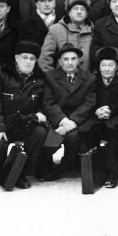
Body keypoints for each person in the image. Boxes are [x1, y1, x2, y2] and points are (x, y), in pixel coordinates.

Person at [0, 40, 48, 190]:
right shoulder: (1, 73)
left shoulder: (41, 78)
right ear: (16, 57)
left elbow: (45, 102)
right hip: (4, 123)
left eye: (32, 58)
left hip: (27, 124)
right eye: (24, 57)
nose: (28, 61)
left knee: (40, 132)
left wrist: (40, 112)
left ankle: (20, 172)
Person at [40, 43, 97, 181]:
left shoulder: (90, 78)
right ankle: (44, 165)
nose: (70, 62)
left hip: (79, 120)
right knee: (46, 138)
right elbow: (48, 102)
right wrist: (63, 121)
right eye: (66, 59)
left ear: (78, 60)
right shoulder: (50, 76)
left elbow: (89, 103)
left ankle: (65, 166)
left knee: (74, 137)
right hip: (57, 119)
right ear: (60, 61)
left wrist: (73, 121)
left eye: (73, 58)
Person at [79, 46, 118, 189]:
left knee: (113, 131)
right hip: (96, 115)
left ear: (116, 66)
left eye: (110, 65)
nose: (107, 69)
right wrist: (96, 110)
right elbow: (87, 100)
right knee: (86, 129)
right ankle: (94, 168)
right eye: (103, 65)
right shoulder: (92, 81)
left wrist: (111, 109)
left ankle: (112, 171)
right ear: (98, 67)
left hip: (116, 115)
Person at [39, 0, 93, 73]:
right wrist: (52, 77)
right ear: (69, 12)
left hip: (88, 78)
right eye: (75, 8)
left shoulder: (94, 30)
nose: (79, 12)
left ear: (86, 13)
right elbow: (45, 58)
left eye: (82, 9)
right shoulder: (56, 29)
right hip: (62, 79)